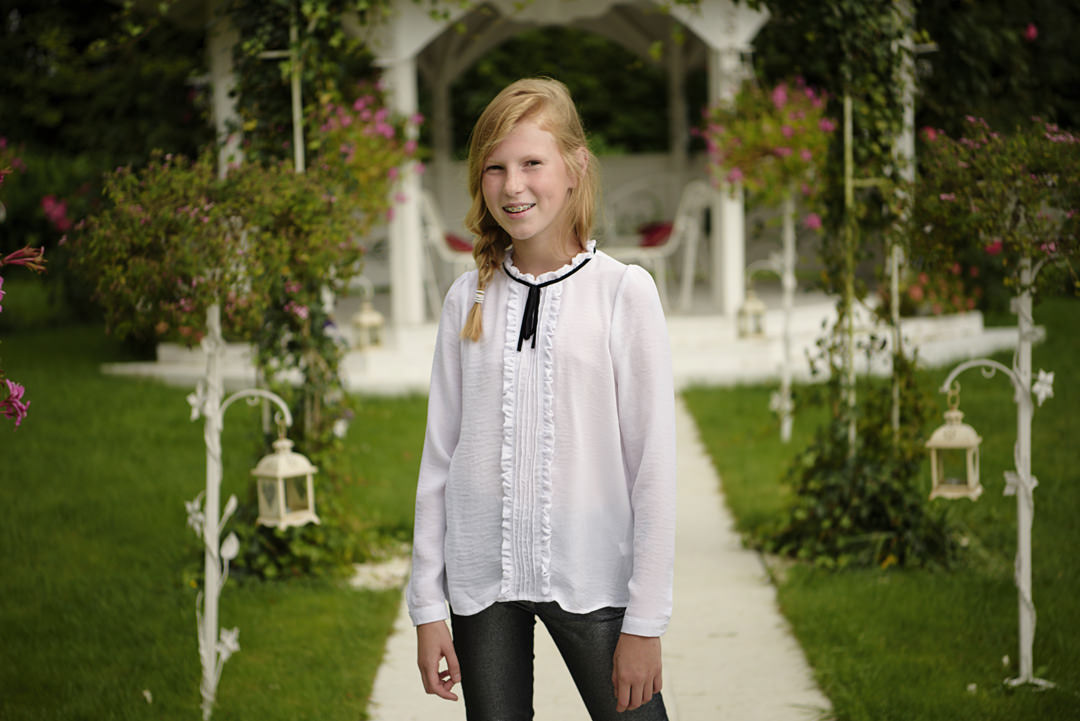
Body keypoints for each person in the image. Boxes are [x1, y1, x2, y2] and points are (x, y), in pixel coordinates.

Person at [406, 77, 677, 720]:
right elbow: (439, 458)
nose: (513, 186)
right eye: (495, 168)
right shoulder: (465, 298)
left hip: (593, 577)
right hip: (481, 585)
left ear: (575, 168)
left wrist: (645, 621)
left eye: (532, 163)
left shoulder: (623, 293)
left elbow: (653, 468)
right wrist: (427, 606)